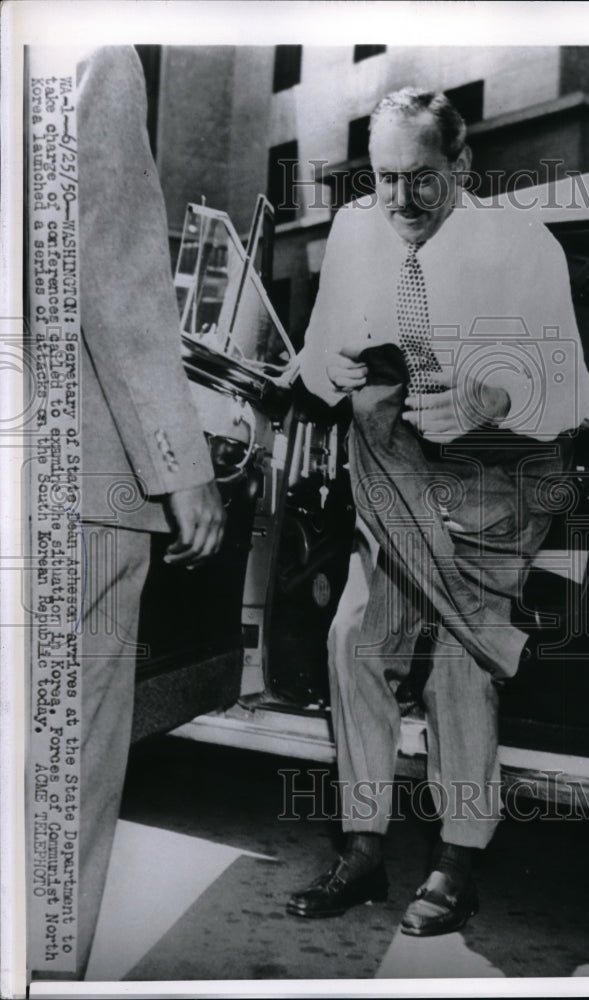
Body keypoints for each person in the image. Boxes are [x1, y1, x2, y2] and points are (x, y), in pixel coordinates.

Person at [286, 88, 589, 936]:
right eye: (385, 181)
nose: (401, 203)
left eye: (421, 180)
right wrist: (330, 372)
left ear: (461, 167)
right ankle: (362, 851)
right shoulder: (354, 230)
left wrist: (492, 396)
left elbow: (570, 387)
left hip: (500, 471)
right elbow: (314, 355)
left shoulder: (521, 243)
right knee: (356, 636)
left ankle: (458, 860)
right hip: (395, 463)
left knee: (460, 652)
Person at [33, 46, 226, 980]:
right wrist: (180, 461)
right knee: (65, 757)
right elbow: (110, 269)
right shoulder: (91, 54)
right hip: (75, 472)